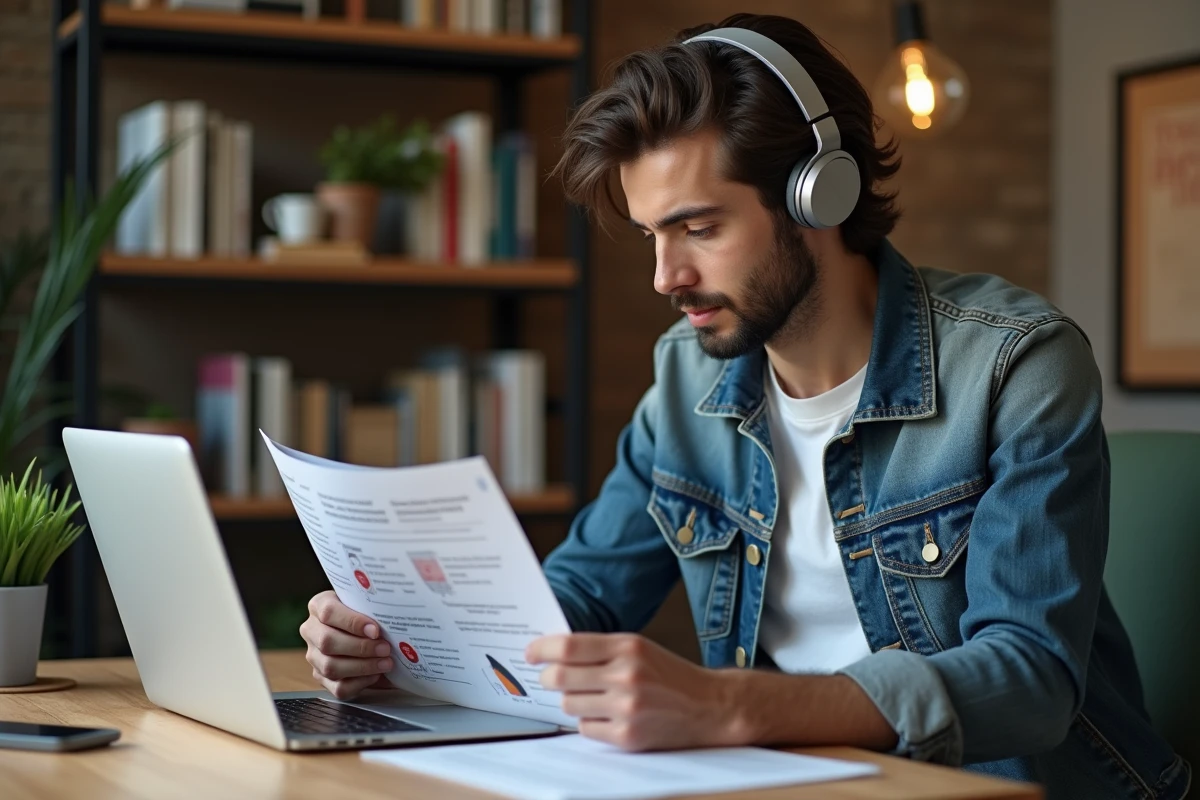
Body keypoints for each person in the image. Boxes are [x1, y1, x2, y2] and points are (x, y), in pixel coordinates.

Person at [298, 12, 1189, 798]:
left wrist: (724, 705)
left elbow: (1028, 679)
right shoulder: (686, 379)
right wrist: (405, 648)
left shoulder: (1016, 366)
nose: (665, 277)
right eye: (653, 234)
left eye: (699, 227)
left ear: (819, 195)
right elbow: (580, 596)